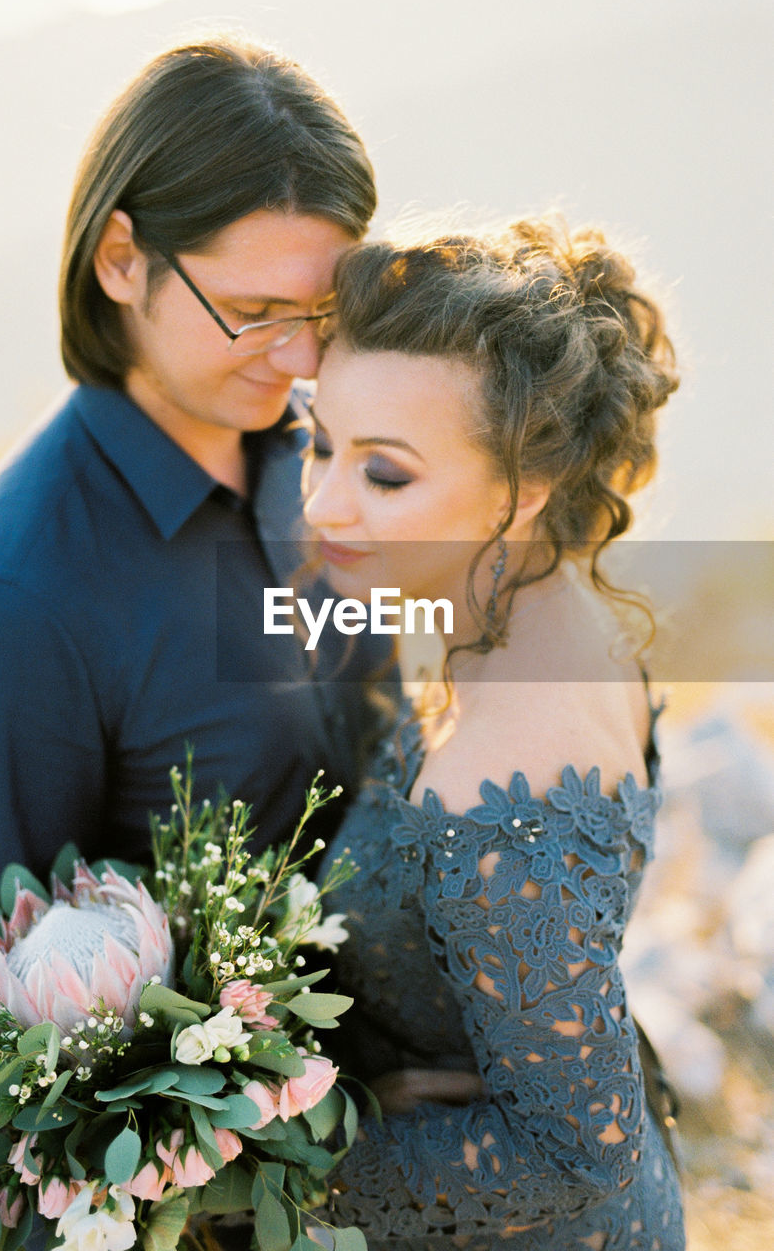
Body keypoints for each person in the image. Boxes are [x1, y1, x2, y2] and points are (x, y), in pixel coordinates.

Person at [0, 36, 379, 914]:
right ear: (122, 260)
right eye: (254, 313)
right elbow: (15, 1026)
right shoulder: (9, 606)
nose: (305, 355)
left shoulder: (334, 455)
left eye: (325, 310)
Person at [305, 218, 685, 1248]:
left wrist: (281, 1162)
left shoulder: (498, 768)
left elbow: (573, 1150)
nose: (324, 502)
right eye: (319, 441)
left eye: (385, 475)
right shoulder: (540, 602)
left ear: (520, 490)